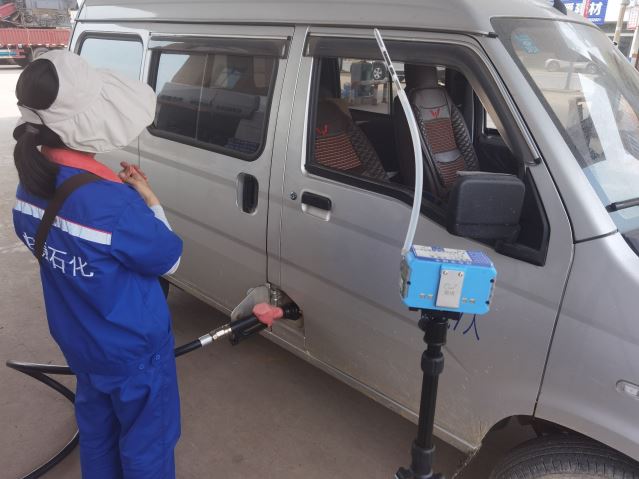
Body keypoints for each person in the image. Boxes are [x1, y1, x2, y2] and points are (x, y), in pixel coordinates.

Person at [11, 50, 183, 479]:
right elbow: (170, 258)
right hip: (132, 351)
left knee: (98, 436)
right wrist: (149, 199)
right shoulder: (112, 204)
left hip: (80, 344)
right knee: (147, 447)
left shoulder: (27, 191)